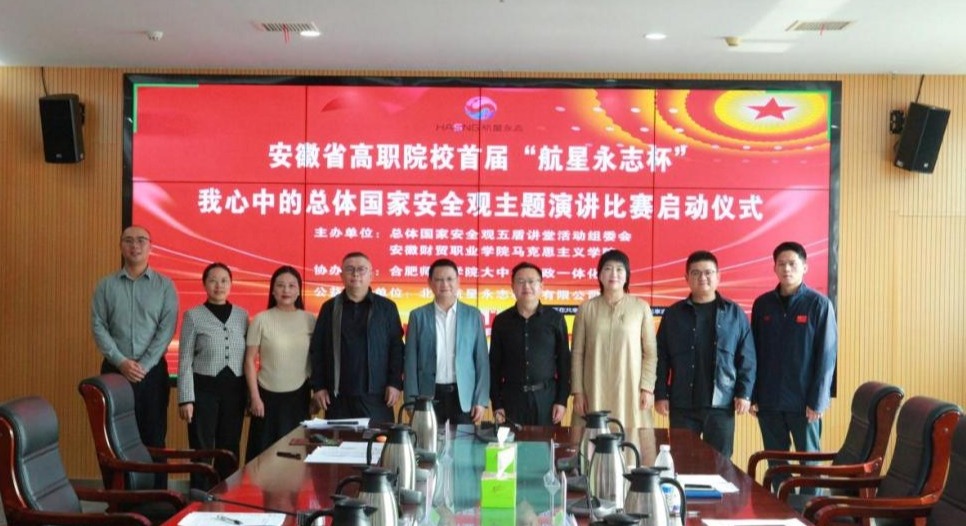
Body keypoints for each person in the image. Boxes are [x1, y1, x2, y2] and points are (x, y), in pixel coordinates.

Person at [91, 225, 178, 489]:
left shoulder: (165, 286)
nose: (135, 245)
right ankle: (118, 499)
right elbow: (98, 325)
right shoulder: (106, 285)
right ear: (121, 246)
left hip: (152, 373)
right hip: (114, 372)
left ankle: (157, 498)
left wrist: (144, 365)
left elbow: (166, 329)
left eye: (141, 240)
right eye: (128, 240)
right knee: (112, 438)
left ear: (151, 247)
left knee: (153, 437)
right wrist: (121, 362)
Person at [751, 241, 837, 490]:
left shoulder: (819, 304)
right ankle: (782, 506)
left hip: (804, 403)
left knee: (809, 464)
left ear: (805, 267)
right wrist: (753, 395)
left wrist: (818, 400)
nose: (787, 269)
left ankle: (810, 508)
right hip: (769, 401)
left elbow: (827, 356)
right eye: (781, 264)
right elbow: (753, 353)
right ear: (774, 268)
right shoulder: (763, 304)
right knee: (776, 464)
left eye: (792, 264)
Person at [655, 250, 756, 458]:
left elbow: (747, 357)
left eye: (708, 272)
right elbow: (661, 358)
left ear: (718, 277)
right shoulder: (673, 314)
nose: (703, 278)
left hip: (721, 404)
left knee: (720, 464)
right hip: (682, 404)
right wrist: (661, 395)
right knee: (682, 462)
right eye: (696, 273)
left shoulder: (734, 313)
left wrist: (744, 393)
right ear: (686, 278)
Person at [309, 252, 404, 424]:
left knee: (377, 440)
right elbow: (317, 350)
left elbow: (396, 348)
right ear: (341, 275)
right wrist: (319, 386)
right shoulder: (329, 308)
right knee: (338, 441)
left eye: (361, 269)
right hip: (337, 397)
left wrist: (395, 383)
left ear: (371, 275)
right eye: (350, 269)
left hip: (377, 396)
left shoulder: (387, 308)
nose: (356, 274)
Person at [177, 262, 249, 487]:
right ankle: (200, 495)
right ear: (204, 284)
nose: (219, 286)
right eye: (213, 281)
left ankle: (227, 495)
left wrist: (249, 396)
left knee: (230, 447)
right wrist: (186, 399)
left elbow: (249, 358)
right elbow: (185, 359)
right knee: (202, 448)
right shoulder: (193, 316)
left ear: (231, 284)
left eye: (224, 281)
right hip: (203, 390)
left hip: (234, 391)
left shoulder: (242, 315)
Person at [571, 249, 656, 431]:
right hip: (593, 387)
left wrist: (647, 388)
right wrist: (578, 391)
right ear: (599, 275)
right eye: (608, 269)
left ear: (627, 276)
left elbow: (650, 353)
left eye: (619, 269)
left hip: (630, 388)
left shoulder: (641, 308)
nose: (613, 274)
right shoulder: (586, 309)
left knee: (631, 438)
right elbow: (577, 354)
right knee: (592, 439)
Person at [404, 258, 490, 425]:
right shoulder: (418, 316)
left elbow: (482, 361)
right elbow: (410, 362)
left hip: (463, 397)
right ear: (430, 283)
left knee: (464, 441)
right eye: (439, 279)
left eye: (450, 279)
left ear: (458, 282)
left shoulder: (473, 315)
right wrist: (410, 401)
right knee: (428, 440)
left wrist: (480, 400)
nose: (445, 284)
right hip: (428, 396)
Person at [244, 266, 315, 462]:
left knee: (296, 455)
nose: (286, 290)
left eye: (292, 286)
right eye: (281, 285)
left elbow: (316, 360)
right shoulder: (261, 319)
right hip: (266, 397)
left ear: (299, 291)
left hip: (299, 397)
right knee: (263, 457)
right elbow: (249, 360)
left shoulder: (310, 320)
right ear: (273, 290)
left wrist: (315, 395)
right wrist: (255, 397)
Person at [489, 262, 571, 426]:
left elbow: (564, 363)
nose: (526, 286)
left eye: (532, 281)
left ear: (541, 286)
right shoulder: (502, 321)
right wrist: (497, 404)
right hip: (511, 400)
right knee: (511, 442)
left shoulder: (555, 319)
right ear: (513, 287)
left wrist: (562, 400)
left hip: (546, 400)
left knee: (546, 442)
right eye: (520, 281)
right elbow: (494, 366)